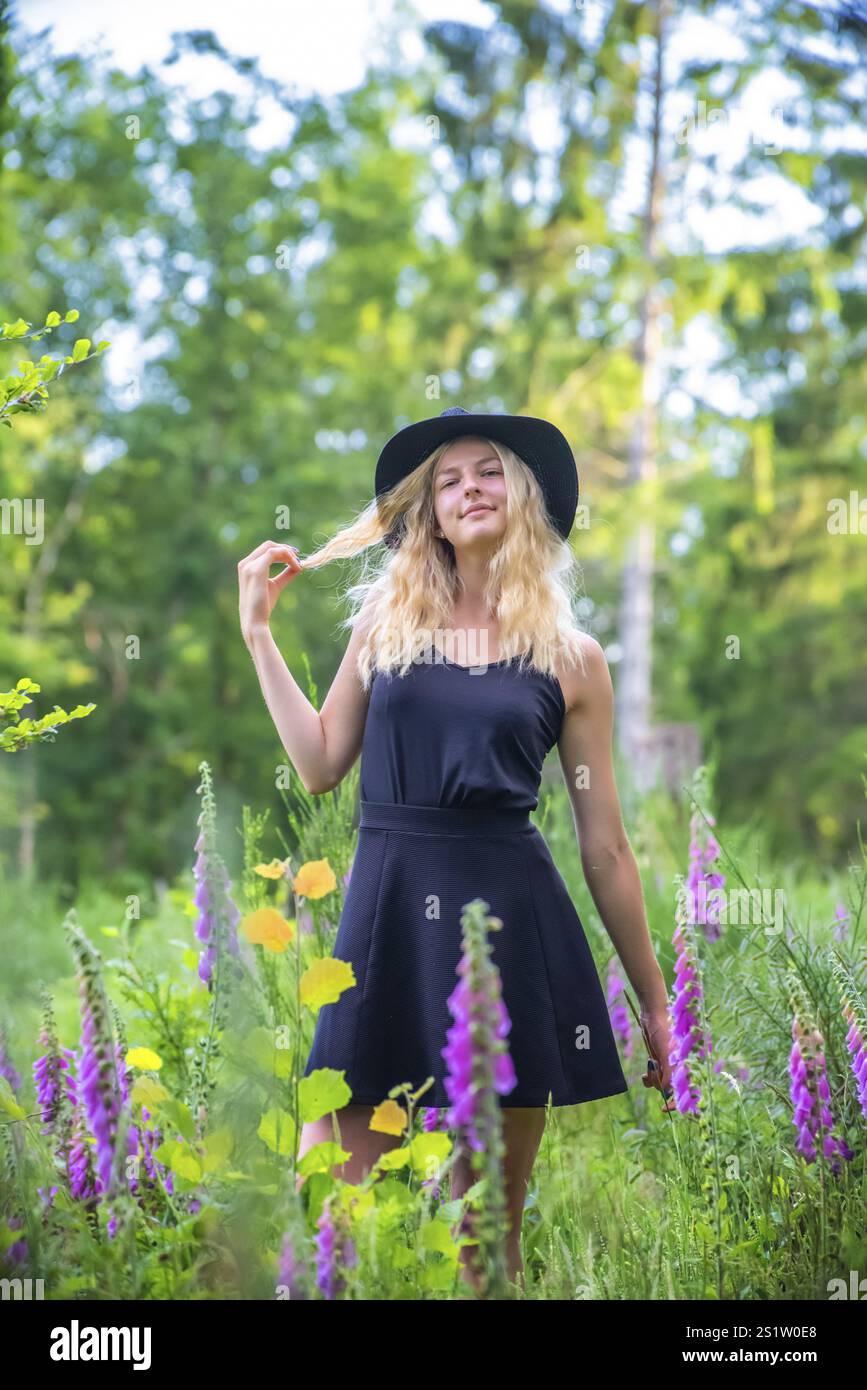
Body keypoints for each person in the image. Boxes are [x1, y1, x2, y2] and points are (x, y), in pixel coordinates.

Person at [237, 405, 674, 1293]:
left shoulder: (573, 657)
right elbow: (320, 764)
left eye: (487, 472)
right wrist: (258, 635)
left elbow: (607, 850)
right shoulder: (384, 632)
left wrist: (657, 1005)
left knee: (487, 1240)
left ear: (522, 498)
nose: (468, 488)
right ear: (427, 513)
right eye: (446, 479)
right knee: (331, 1213)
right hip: (387, 918)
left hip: (512, 929)